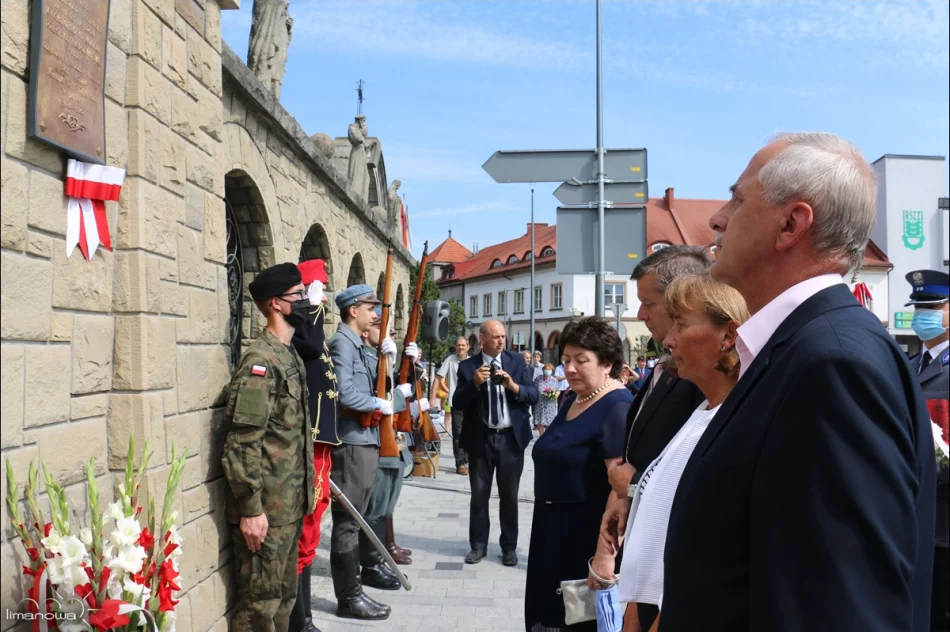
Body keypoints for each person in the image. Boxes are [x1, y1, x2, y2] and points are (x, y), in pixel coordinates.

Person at [662, 132, 936, 631]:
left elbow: (843, 609)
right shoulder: (802, 347)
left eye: (738, 199)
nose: (718, 218)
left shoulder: (831, 363)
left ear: (791, 224)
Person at [604, 275, 749, 632]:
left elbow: (709, 552)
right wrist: (634, 614)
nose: (668, 340)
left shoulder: (737, 422)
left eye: (681, 325)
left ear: (728, 336)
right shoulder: (701, 415)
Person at [595, 246, 711, 616]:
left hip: (670, 565)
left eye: (649, 303)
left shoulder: (702, 377)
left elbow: (695, 471)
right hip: (644, 553)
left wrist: (632, 483)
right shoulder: (665, 366)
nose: (640, 314)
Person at [221, 262, 315, 632]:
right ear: (276, 303)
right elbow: (243, 440)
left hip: (288, 506)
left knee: (283, 603)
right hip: (267, 512)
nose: (307, 302)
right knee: (258, 609)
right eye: (299, 296)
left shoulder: (288, 354)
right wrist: (251, 508)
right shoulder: (261, 361)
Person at [524, 317, 632, 631]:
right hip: (550, 531)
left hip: (582, 539)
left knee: (576, 622)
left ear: (608, 363)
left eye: (581, 361)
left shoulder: (617, 406)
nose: (569, 369)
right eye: (566, 360)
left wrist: (604, 556)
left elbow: (620, 490)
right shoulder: (573, 399)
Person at [326, 284, 393, 621]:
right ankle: (349, 598)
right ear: (353, 310)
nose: (375, 313)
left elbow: (373, 380)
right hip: (352, 442)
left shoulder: (356, 344)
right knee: (348, 521)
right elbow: (345, 394)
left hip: (364, 440)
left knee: (357, 518)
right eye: (371, 307)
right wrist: (376, 404)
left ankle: (355, 589)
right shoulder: (342, 343)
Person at [454, 319, 539, 566]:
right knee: (479, 495)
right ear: (482, 339)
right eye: (496, 337)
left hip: (510, 439)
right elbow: (458, 402)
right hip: (482, 440)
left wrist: (513, 385)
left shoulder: (516, 362)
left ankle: (509, 548)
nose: (502, 340)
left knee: (509, 496)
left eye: (503, 336)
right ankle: (478, 546)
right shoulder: (468, 366)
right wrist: (474, 384)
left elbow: (533, 395)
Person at [289, 259, 337, 632]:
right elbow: (309, 345)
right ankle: (299, 621)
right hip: (310, 441)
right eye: (318, 286)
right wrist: (308, 311)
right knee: (305, 528)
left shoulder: (314, 330)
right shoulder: (306, 330)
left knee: (313, 527)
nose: (323, 296)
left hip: (322, 444)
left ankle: (304, 618)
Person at [360, 307, 421, 574]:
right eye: (383, 328)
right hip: (375, 436)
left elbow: (396, 387)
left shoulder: (380, 357)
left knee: (389, 496)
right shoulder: (366, 357)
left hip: (391, 435)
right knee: (379, 499)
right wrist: (397, 391)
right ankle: (376, 556)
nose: (389, 335)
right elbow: (378, 395)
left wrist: (410, 366)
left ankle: (387, 546)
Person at [905, 269, 949, 631]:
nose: (924, 315)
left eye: (934, 306)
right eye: (920, 307)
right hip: (914, 516)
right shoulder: (907, 366)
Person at [432, 337, 470, 475]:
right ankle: (460, 463)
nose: (460, 347)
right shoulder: (450, 360)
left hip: (471, 403)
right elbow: (438, 377)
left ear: (468, 347)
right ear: (455, 347)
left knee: (471, 432)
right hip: (456, 402)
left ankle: (468, 460)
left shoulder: (472, 362)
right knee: (458, 433)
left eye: (463, 345)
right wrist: (432, 399)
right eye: (458, 345)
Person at [532, 363, 559, 435]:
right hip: (539, 403)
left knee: (550, 422)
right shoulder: (538, 378)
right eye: (546, 369)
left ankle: (547, 436)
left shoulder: (554, 380)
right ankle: (541, 436)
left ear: (552, 371)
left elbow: (557, 390)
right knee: (540, 421)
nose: (548, 371)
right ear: (543, 370)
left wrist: (555, 394)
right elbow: (534, 389)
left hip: (550, 404)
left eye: (549, 369)